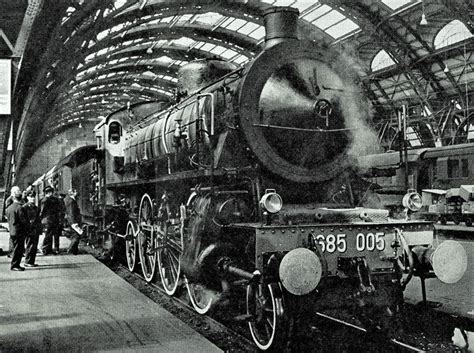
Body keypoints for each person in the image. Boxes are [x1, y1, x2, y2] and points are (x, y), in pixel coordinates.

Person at [5, 187, 26, 271]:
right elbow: (23, 221)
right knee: (19, 249)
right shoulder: (20, 208)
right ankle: (15, 265)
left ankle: (15, 264)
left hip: (12, 231)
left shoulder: (9, 208)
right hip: (19, 231)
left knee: (16, 248)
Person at [39, 185, 62, 255]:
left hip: (48, 220)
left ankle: (46, 249)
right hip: (53, 220)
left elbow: (42, 211)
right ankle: (47, 249)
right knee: (50, 235)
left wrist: (40, 218)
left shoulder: (44, 200)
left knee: (48, 235)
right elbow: (59, 209)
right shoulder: (55, 199)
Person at [22, 190, 42, 267]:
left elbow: (38, 218)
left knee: (34, 245)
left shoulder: (36, 208)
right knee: (29, 245)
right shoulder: (25, 207)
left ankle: (31, 261)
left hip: (35, 229)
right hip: (29, 229)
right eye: (31, 196)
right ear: (27, 197)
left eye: (33, 196)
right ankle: (28, 261)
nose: (32, 198)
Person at [64, 189, 82, 255]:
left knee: (75, 235)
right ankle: (70, 249)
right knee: (76, 235)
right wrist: (74, 223)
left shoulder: (68, 200)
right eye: (76, 191)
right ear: (73, 193)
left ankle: (74, 250)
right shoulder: (71, 201)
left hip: (71, 220)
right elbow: (71, 212)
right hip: (73, 221)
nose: (77, 192)